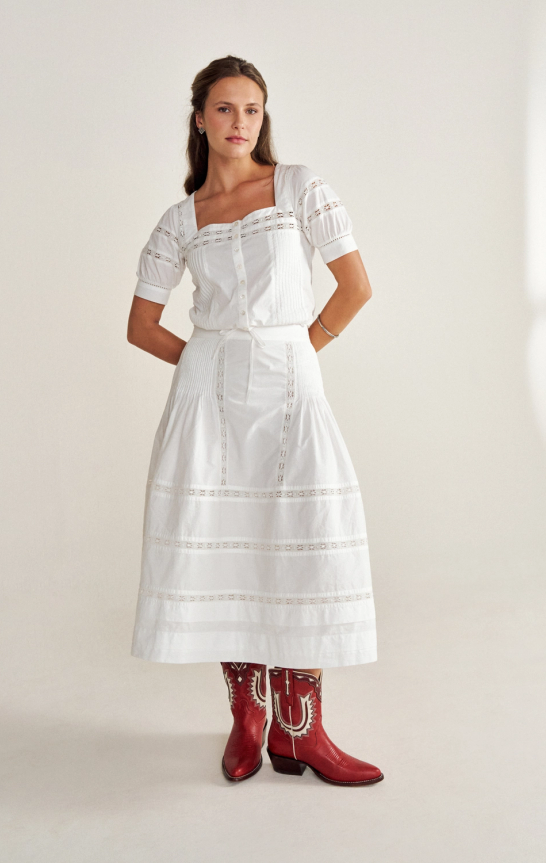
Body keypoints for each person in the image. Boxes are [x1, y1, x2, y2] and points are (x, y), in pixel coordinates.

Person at [126, 55, 382, 787]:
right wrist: (204, 365)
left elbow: (355, 286)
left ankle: (303, 731)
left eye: (253, 109)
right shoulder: (181, 219)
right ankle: (249, 718)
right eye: (226, 109)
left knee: (304, 542)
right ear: (200, 118)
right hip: (207, 398)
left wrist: (303, 348)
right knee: (221, 546)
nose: (241, 123)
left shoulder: (300, 187)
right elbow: (142, 324)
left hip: (290, 382)